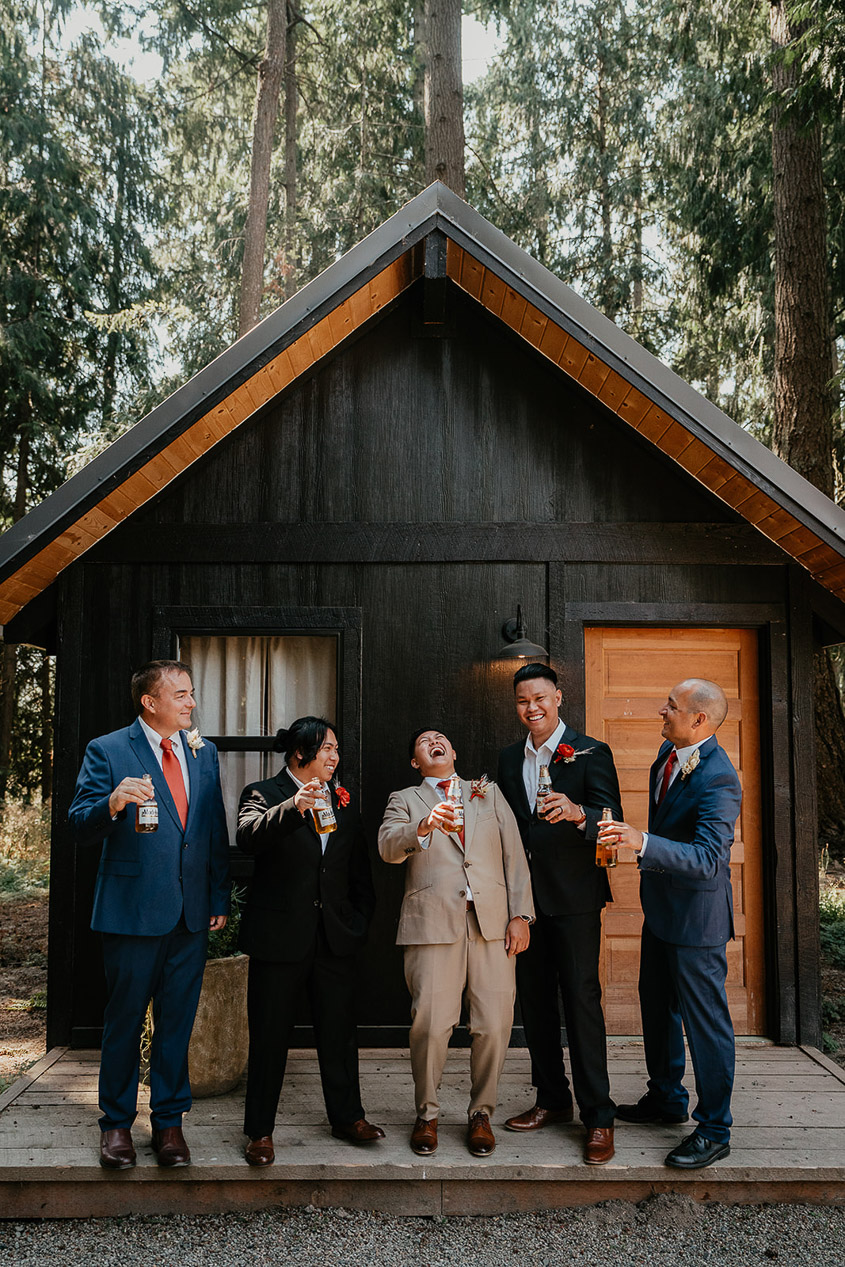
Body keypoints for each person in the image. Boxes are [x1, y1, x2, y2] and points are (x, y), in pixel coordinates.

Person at [69, 659, 230, 1170]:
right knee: (123, 1021)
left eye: (191, 693)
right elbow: (78, 824)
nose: (191, 702)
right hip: (131, 912)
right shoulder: (109, 749)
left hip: (191, 914)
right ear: (150, 702)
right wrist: (113, 802)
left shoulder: (205, 754)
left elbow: (212, 831)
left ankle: (168, 1125)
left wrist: (217, 899)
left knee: (177, 1025)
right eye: (181, 694)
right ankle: (115, 1125)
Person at [599, 678, 742, 1170]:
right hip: (660, 911)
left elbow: (708, 860)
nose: (662, 711)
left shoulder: (720, 779)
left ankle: (715, 1127)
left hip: (698, 923)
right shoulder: (667, 751)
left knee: (707, 1026)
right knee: (657, 1009)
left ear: (700, 719)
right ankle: (666, 1099)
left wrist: (641, 843)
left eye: (673, 706)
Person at [378, 728, 534, 1157]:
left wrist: (521, 915)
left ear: (453, 749)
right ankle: (427, 1114)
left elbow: (514, 856)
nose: (434, 741)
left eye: (441, 737)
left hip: (492, 926)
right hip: (432, 925)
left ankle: (480, 1113)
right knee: (430, 1023)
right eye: (424, 741)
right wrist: (424, 824)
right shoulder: (404, 800)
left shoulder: (488, 793)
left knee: (494, 1023)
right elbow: (388, 847)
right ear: (416, 762)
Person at [236, 716, 383, 1165]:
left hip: (334, 938)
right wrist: (294, 807)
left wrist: (357, 921)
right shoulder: (262, 793)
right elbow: (247, 838)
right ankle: (260, 1132)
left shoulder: (345, 799)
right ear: (300, 752)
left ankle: (347, 1117)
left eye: (337, 749)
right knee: (269, 1036)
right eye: (327, 748)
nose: (335, 756)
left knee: (339, 1034)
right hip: (279, 938)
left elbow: (357, 870)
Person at [497, 662, 622, 1165]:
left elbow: (611, 821)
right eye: (524, 700)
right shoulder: (508, 760)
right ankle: (552, 1099)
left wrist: (579, 814)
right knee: (536, 1006)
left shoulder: (592, 752)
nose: (532, 708)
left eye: (540, 698)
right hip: (525, 903)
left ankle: (599, 1116)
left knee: (581, 1003)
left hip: (574, 900)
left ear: (558, 698)